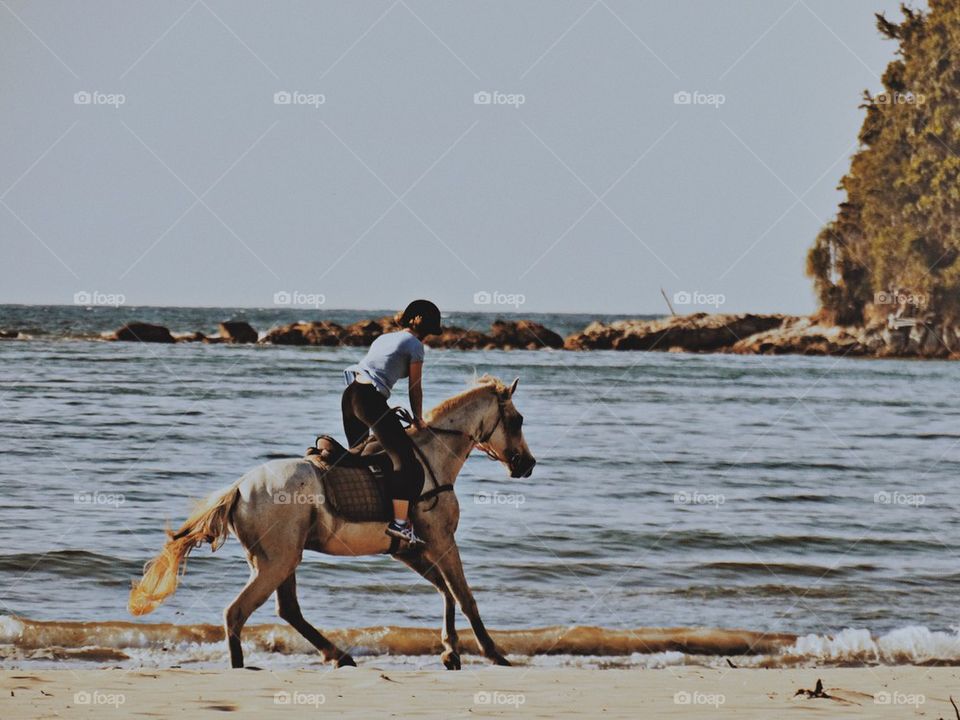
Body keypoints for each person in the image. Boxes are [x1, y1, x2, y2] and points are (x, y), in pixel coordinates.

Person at [341, 300, 442, 545]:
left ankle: (361, 511)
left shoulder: (385, 338)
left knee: (360, 455)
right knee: (404, 460)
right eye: (430, 332)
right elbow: (415, 387)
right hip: (368, 401)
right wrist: (418, 419)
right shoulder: (415, 345)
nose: (428, 338)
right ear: (425, 328)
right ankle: (399, 524)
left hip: (350, 395)